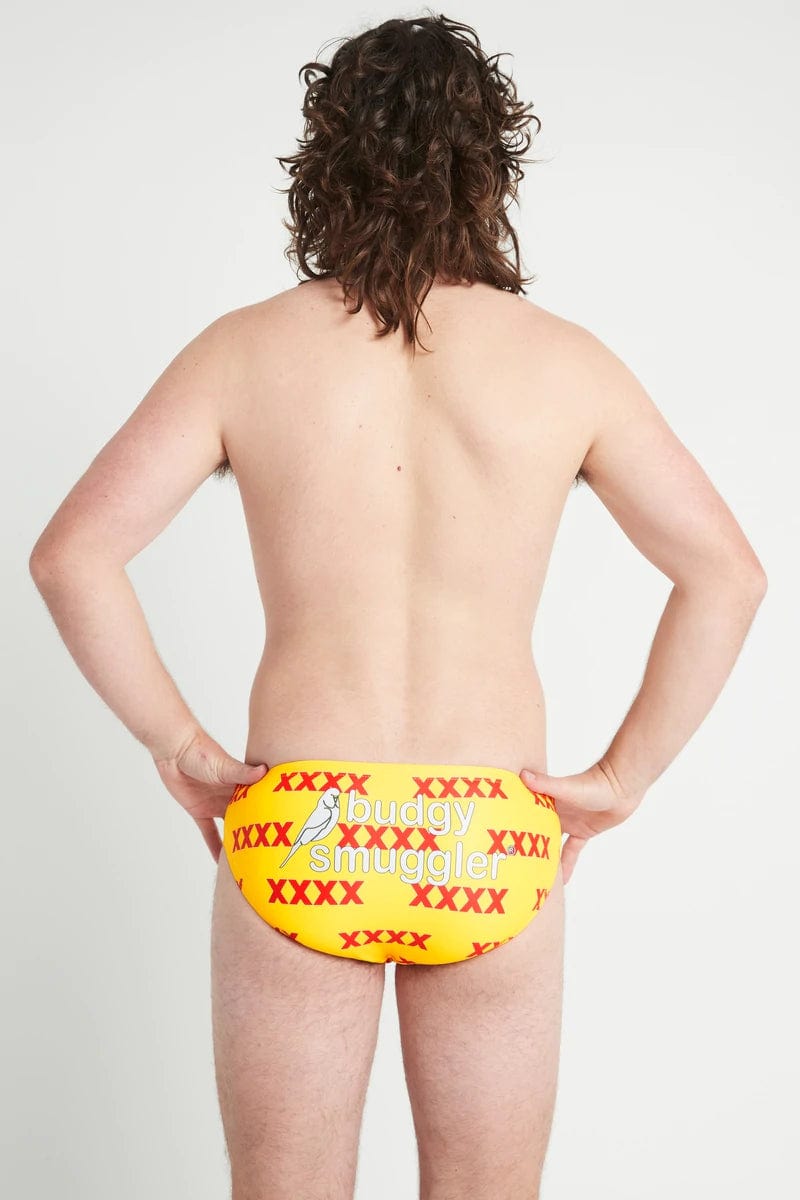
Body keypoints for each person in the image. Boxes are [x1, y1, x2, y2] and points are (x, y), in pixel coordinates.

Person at [28, 13, 767, 1200]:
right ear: (489, 168)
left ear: (326, 160)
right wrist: (619, 781)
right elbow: (726, 574)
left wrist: (181, 749)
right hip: (492, 829)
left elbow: (73, 557)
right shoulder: (566, 364)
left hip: (300, 820)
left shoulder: (242, 351)